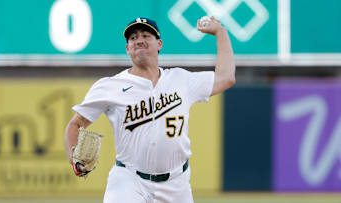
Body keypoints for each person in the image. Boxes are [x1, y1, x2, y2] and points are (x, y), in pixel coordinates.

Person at [64, 16, 235, 203]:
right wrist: (75, 160)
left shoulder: (181, 79)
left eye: (146, 35)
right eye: (133, 38)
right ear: (127, 48)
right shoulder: (109, 86)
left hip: (177, 183)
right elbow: (76, 124)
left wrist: (221, 32)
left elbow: (226, 78)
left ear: (159, 44)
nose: (139, 40)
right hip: (129, 179)